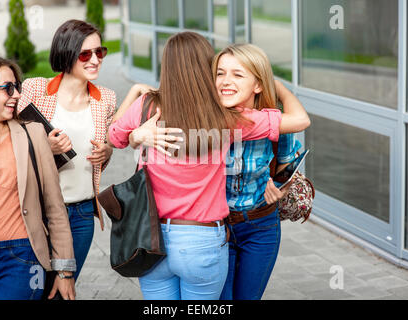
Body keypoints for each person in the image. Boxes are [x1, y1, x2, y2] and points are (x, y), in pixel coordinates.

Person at [107, 31, 310, 300]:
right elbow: (300, 120)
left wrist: (136, 133)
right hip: (201, 240)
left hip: (152, 239)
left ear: (165, 66)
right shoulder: (227, 116)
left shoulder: (147, 106)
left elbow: (113, 137)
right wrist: (277, 86)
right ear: (207, 68)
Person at [17, 19, 129, 281]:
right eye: (85, 54)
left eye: (100, 52)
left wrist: (108, 152)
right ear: (67, 54)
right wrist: (47, 148)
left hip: (81, 213)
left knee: (66, 288)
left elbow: (103, 149)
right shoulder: (34, 90)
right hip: (40, 210)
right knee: (37, 288)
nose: (95, 60)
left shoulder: (107, 99)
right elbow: (11, 145)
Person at [0, 56, 76, 300]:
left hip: (23, 257)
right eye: (7, 88)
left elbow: (55, 207)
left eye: (18, 87)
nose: (16, 95)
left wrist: (65, 271)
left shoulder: (33, 134)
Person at [212, 44, 306, 300]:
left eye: (237, 74)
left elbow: (286, 168)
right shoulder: (206, 121)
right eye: (220, 73)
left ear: (258, 84)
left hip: (261, 226)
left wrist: (280, 185)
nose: (225, 81)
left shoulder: (274, 123)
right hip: (217, 228)